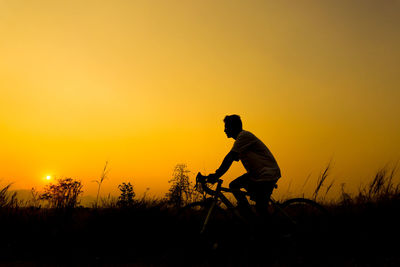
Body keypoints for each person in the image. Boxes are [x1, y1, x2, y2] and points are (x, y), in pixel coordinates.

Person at [204, 114, 281, 217]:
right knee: (234, 186)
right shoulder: (241, 140)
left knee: (261, 209)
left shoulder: (244, 136)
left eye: (226, 127)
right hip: (257, 174)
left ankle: (263, 226)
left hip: (267, 174)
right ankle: (248, 215)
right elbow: (231, 158)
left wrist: (217, 175)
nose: (224, 130)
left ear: (233, 127)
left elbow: (229, 158)